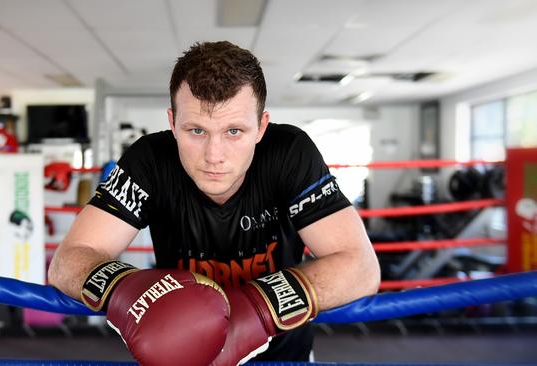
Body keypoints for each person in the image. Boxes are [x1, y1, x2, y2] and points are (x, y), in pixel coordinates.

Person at [48, 41, 380, 364]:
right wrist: (127, 290)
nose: (214, 156)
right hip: (183, 356)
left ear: (261, 127)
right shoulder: (149, 160)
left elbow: (361, 268)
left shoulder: (288, 153)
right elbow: (67, 262)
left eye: (234, 131)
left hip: (284, 356)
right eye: (196, 130)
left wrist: (257, 310)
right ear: (172, 123)